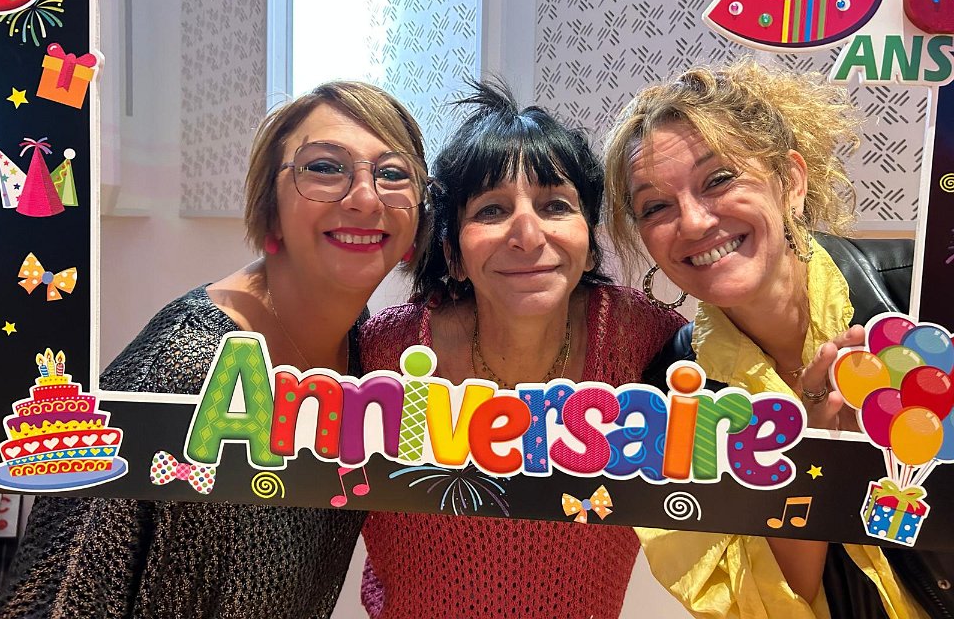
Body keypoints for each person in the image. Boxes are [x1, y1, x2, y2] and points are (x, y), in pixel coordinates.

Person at [0, 81, 431, 619]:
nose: (365, 197)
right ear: (270, 208)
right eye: (323, 167)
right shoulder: (185, 361)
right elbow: (53, 594)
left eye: (393, 174)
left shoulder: (365, 352)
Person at [603, 59, 949, 618]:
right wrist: (809, 454)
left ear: (790, 181)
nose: (692, 223)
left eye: (719, 179)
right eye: (656, 207)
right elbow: (759, 604)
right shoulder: (672, 395)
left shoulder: (918, 297)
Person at [357, 80, 687, 619]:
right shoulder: (383, 355)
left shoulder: (643, 342)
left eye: (555, 205)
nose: (528, 235)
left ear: (589, 244)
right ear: (453, 253)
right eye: (491, 211)